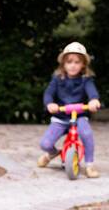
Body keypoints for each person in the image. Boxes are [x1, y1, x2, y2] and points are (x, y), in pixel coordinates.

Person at [37, 41, 102, 178]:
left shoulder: (86, 79)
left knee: (86, 134)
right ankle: (52, 153)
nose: (73, 65)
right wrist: (50, 104)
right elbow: (49, 93)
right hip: (60, 117)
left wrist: (93, 100)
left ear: (83, 64)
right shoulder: (57, 79)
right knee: (45, 143)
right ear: (63, 64)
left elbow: (92, 92)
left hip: (79, 116)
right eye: (69, 62)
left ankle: (89, 164)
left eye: (77, 62)